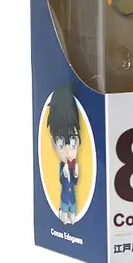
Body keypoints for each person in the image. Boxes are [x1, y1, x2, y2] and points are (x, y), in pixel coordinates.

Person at [47, 86, 81, 225]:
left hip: (72, 197)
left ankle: (71, 216)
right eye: (61, 143)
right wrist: (65, 173)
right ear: (53, 144)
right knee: (66, 211)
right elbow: (61, 180)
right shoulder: (63, 166)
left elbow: (76, 182)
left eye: (72, 142)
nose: (68, 151)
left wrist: (76, 173)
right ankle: (63, 215)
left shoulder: (73, 165)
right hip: (65, 197)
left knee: (72, 211)